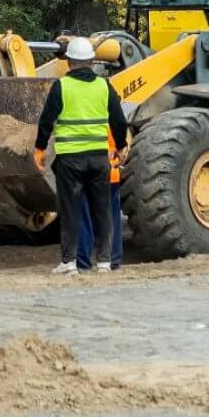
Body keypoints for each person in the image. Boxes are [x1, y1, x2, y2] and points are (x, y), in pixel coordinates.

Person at [33, 36, 128, 276]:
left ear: (69, 62)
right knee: (102, 209)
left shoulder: (62, 86)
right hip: (98, 159)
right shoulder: (103, 86)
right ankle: (105, 262)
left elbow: (46, 121)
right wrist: (121, 145)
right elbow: (118, 119)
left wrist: (40, 149)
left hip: (70, 160)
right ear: (92, 61)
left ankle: (70, 262)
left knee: (71, 210)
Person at [76, 131, 124, 271]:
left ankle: (83, 262)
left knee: (83, 215)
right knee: (111, 216)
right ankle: (112, 260)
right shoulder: (109, 112)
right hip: (110, 171)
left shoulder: (83, 115)